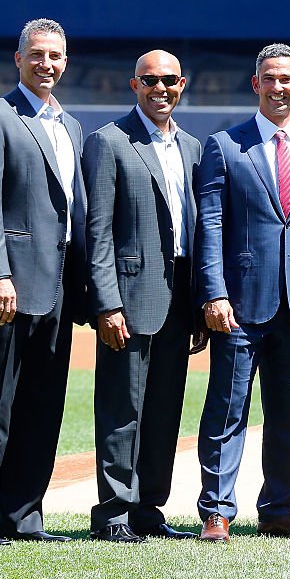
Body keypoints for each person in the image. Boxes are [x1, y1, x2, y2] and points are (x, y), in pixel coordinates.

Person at [194, 43, 290, 542]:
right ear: (255, 84)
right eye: (269, 79)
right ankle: (217, 512)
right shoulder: (225, 146)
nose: (278, 87)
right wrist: (213, 293)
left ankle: (278, 509)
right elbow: (211, 225)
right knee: (227, 409)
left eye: (287, 79)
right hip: (240, 306)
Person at [0, 18, 86, 545]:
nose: (46, 64)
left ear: (65, 62)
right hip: (4, 292)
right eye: (37, 55)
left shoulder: (71, 127)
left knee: (40, 409)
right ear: (19, 58)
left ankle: (22, 518)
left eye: (55, 56)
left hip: (55, 292)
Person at [82, 50, 207, 543]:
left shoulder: (193, 147)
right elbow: (97, 232)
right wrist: (106, 303)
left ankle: (148, 510)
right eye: (150, 80)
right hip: (130, 296)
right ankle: (113, 511)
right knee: (121, 407)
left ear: (183, 85)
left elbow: (196, 232)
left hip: (179, 295)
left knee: (163, 409)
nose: (161, 88)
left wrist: (199, 304)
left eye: (170, 80)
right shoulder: (109, 141)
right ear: (133, 85)